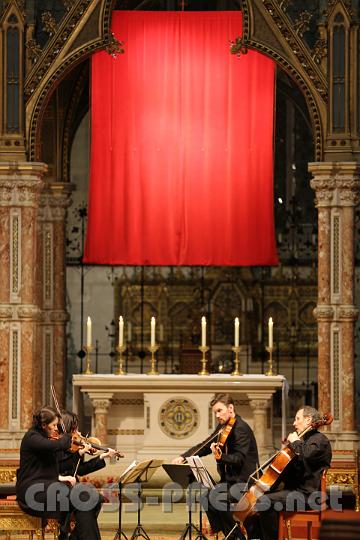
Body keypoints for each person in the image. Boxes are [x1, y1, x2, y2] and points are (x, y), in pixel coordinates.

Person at [172, 393, 259, 540]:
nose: (217, 415)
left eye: (220, 410)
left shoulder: (241, 429)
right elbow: (205, 446)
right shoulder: (223, 427)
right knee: (206, 496)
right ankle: (227, 533)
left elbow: (239, 459)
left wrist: (221, 457)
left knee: (216, 497)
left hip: (244, 482)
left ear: (230, 408)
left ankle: (236, 537)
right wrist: (184, 457)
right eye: (215, 412)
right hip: (230, 480)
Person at [250, 406, 332, 540]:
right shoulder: (305, 441)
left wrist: (295, 443)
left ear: (308, 420)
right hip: (296, 491)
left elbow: (305, 456)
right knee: (256, 499)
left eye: (297, 419)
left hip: (308, 495)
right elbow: (292, 470)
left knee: (265, 501)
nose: (294, 423)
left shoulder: (320, 441)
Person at [57, 410, 116, 540]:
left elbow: (81, 469)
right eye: (74, 429)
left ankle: (75, 536)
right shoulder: (56, 446)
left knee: (95, 499)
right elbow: (58, 468)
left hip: (73, 488)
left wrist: (102, 456)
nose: (78, 433)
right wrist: (78, 454)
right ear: (65, 428)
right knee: (90, 499)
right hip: (58, 488)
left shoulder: (74, 446)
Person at [16, 406, 75, 519]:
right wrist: (67, 437)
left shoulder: (43, 438)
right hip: (30, 491)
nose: (56, 428)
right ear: (43, 425)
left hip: (45, 486)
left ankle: (71, 535)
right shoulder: (32, 437)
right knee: (81, 498)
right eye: (54, 425)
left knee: (88, 500)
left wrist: (78, 453)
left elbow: (56, 465)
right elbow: (56, 445)